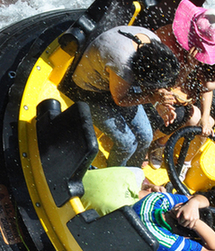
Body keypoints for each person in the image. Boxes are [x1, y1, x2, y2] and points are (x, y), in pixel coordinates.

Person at [149, 1, 215, 158]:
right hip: (153, 90)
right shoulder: (167, 43)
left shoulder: (196, 56)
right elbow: (163, 85)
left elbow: (204, 86)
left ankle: (162, 144)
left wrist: (205, 118)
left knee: (202, 119)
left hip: (176, 96)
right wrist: (187, 68)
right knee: (183, 115)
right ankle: (147, 142)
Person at [72, 26, 180, 167]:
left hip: (116, 84)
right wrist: (153, 98)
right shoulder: (123, 64)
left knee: (146, 136)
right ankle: (116, 175)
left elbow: (152, 82)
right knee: (127, 144)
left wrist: (161, 100)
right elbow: (121, 99)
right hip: (90, 91)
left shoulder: (154, 45)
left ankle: (133, 170)